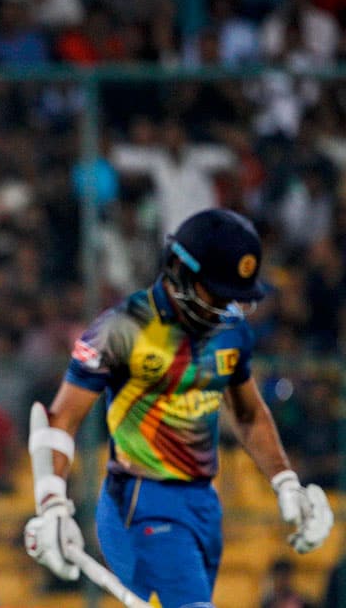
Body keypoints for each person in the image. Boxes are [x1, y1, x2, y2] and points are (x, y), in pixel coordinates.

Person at [23, 208, 335, 607]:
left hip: (203, 505)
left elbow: (247, 413)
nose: (227, 307)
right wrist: (51, 502)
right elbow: (63, 416)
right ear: (178, 269)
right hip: (139, 502)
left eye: (234, 297)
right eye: (217, 292)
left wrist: (285, 481)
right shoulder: (122, 328)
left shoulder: (231, 331)